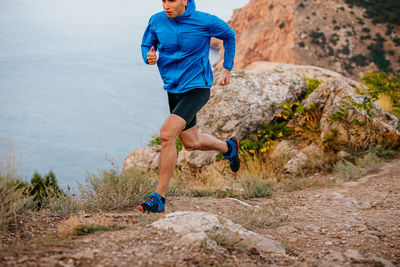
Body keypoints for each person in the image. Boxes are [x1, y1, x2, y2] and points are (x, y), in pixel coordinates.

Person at [137, 0, 239, 213]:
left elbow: (229, 35)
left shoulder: (204, 21)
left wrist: (227, 68)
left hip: (197, 87)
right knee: (191, 143)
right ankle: (228, 148)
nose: (166, 5)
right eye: (163, 0)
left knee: (167, 135)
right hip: (173, 88)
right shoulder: (157, 20)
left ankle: (159, 198)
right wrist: (148, 56)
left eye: (171, 0)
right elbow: (147, 43)